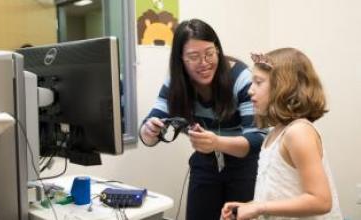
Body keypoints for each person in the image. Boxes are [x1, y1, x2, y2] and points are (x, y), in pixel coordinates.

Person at [139, 18, 265, 220]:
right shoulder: (176, 83)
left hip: (244, 165)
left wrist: (217, 143)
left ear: (218, 50)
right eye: (194, 57)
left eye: (209, 53)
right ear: (181, 59)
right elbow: (150, 128)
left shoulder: (241, 78)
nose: (204, 63)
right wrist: (149, 130)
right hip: (205, 163)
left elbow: (258, 138)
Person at [221, 48, 343, 220]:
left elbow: (321, 201)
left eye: (258, 82)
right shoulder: (274, 134)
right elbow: (282, 193)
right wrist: (251, 206)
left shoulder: (298, 132)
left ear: (283, 87)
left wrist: (259, 208)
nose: (250, 91)